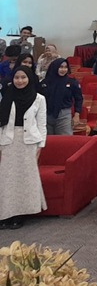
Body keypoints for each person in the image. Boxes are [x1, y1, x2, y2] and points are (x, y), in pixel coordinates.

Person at [0, 66, 47, 229]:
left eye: (23, 77)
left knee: (24, 178)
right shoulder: (7, 96)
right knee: (7, 179)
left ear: (29, 79)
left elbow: (41, 124)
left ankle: (19, 214)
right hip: (8, 140)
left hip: (29, 142)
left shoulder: (39, 99)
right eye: (17, 78)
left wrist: (41, 145)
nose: (20, 81)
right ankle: (5, 213)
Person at [40, 58, 83, 135]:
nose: (63, 70)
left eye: (65, 67)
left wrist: (77, 115)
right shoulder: (45, 83)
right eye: (61, 67)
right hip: (46, 115)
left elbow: (79, 99)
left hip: (64, 115)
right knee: (47, 140)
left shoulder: (72, 82)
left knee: (65, 140)